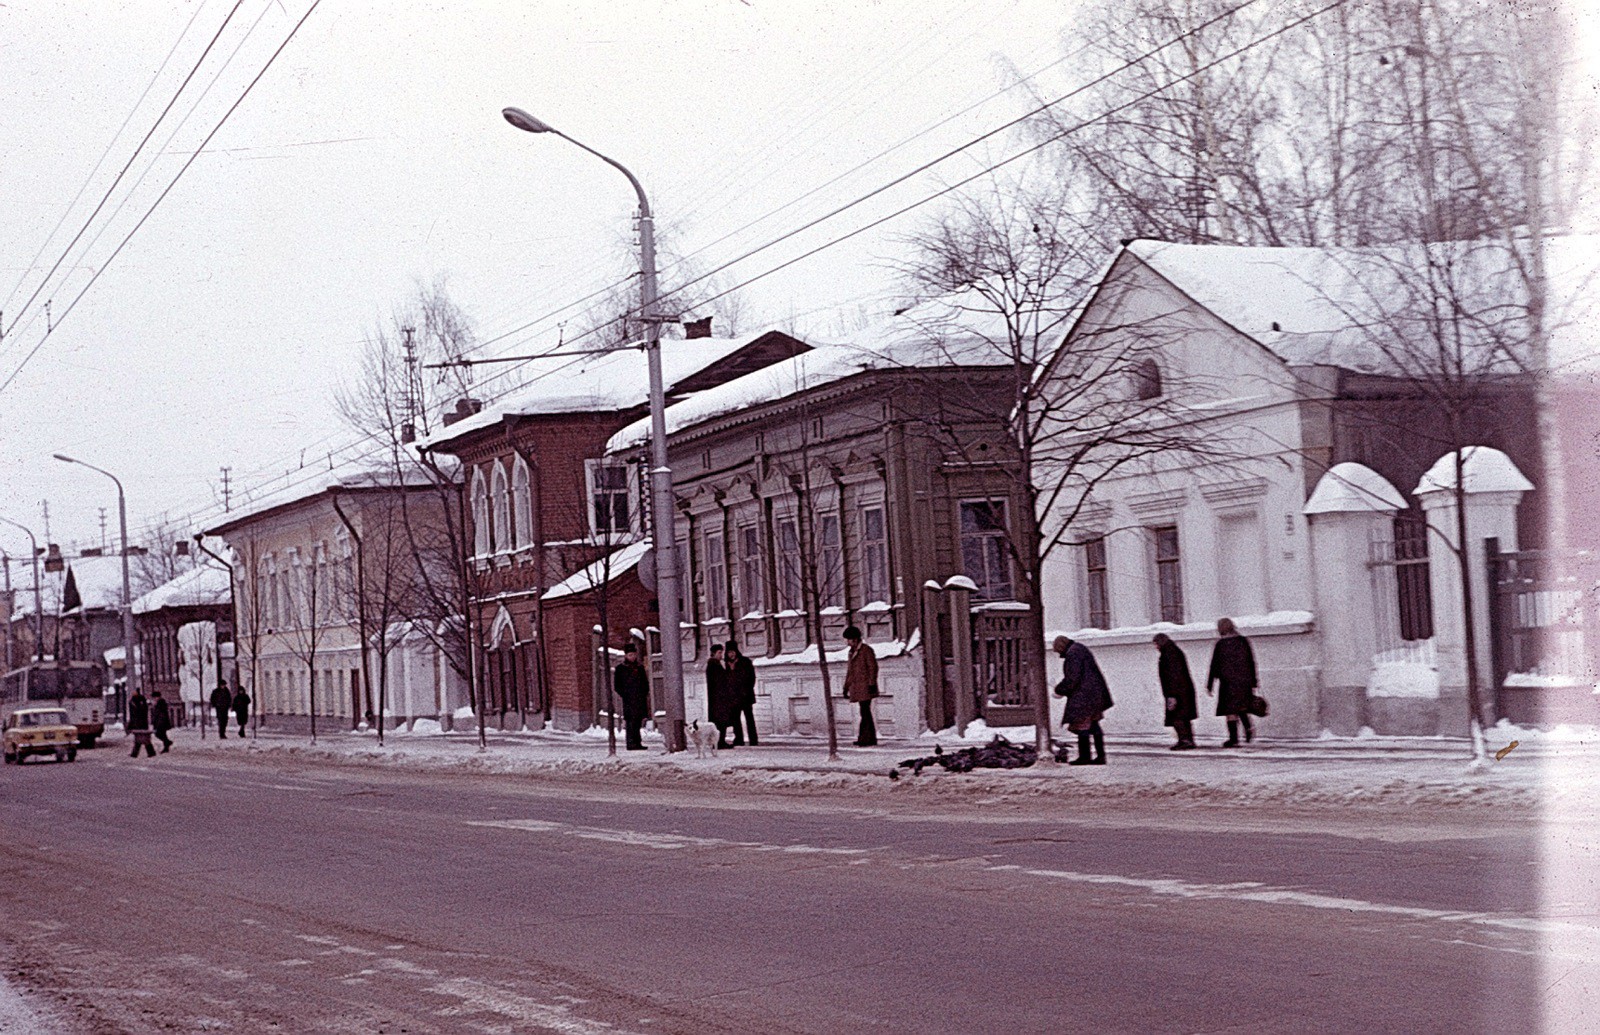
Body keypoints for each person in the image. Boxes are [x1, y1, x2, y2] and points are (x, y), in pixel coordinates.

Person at [1053, 634, 1113, 765]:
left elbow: (1072, 678)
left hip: (1084, 697)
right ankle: (1100, 756)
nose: (1059, 655)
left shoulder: (1073, 654)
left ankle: (1085, 757)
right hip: (1095, 695)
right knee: (1094, 725)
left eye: (1058, 651)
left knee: (1082, 726)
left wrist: (1059, 689)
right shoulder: (1080, 649)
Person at [1207, 617, 1259, 747]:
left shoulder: (1220, 645)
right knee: (1241, 707)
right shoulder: (1243, 641)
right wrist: (1254, 681)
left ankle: (1233, 738)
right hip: (1243, 681)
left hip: (1227, 682)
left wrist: (1210, 685)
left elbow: (1214, 666)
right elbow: (1251, 662)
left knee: (1230, 710)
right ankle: (1248, 728)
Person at [1153, 633, 1197, 750]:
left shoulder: (1169, 654)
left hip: (1177, 691)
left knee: (1177, 716)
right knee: (1184, 716)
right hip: (1183, 690)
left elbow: (1173, 675)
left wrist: (1171, 695)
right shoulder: (1173, 651)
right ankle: (1188, 740)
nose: (1156, 647)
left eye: (1156, 644)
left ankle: (1184, 740)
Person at [842, 626, 879, 747]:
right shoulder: (852, 652)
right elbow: (850, 671)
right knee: (864, 712)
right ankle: (867, 738)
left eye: (849, 639)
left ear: (855, 639)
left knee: (865, 712)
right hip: (858, 687)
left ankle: (866, 738)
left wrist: (872, 684)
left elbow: (873, 668)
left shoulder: (866, 650)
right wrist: (846, 687)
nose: (847, 642)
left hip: (865, 687)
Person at [612, 643, 650, 751]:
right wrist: (625, 694)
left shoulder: (639, 667)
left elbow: (645, 682)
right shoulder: (621, 669)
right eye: (630, 655)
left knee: (638, 720)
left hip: (640, 698)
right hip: (629, 700)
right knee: (630, 721)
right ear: (625, 656)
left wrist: (644, 693)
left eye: (633, 655)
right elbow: (617, 685)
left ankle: (638, 742)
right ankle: (630, 743)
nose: (632, 657)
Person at [725, 640, 759, 747]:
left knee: (749, 718)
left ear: (736, 651)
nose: (732, 654)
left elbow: (751, 678)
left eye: (733, 651)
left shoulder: (745, 662)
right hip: (733, 697)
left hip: (745, 696)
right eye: (729, 652)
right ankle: (739, 739)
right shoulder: (726, 664)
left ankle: (753, 740)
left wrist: (746, 690)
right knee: (735, 719)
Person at [705, 643, 737, 748]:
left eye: (721, 652)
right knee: (720, 722)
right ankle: (719, 742)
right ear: (713, 653)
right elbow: (721, 681)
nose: (721, 655)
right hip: (718, 699)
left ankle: (719, 742)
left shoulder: (716, 664)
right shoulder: (713, 665)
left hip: (718, 698)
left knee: (721, 721)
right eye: (719, 652)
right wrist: (730, 671)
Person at [127, 689, 155, 758]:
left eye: (133, 692)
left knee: (142, 739)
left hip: (139, 723)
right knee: (141, 739)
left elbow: (134, 714)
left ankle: (148, 752)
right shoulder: (137, 701)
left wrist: (131, 724)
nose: (132, 693)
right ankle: (148, 752)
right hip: (140, 723)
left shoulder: (135, 701)